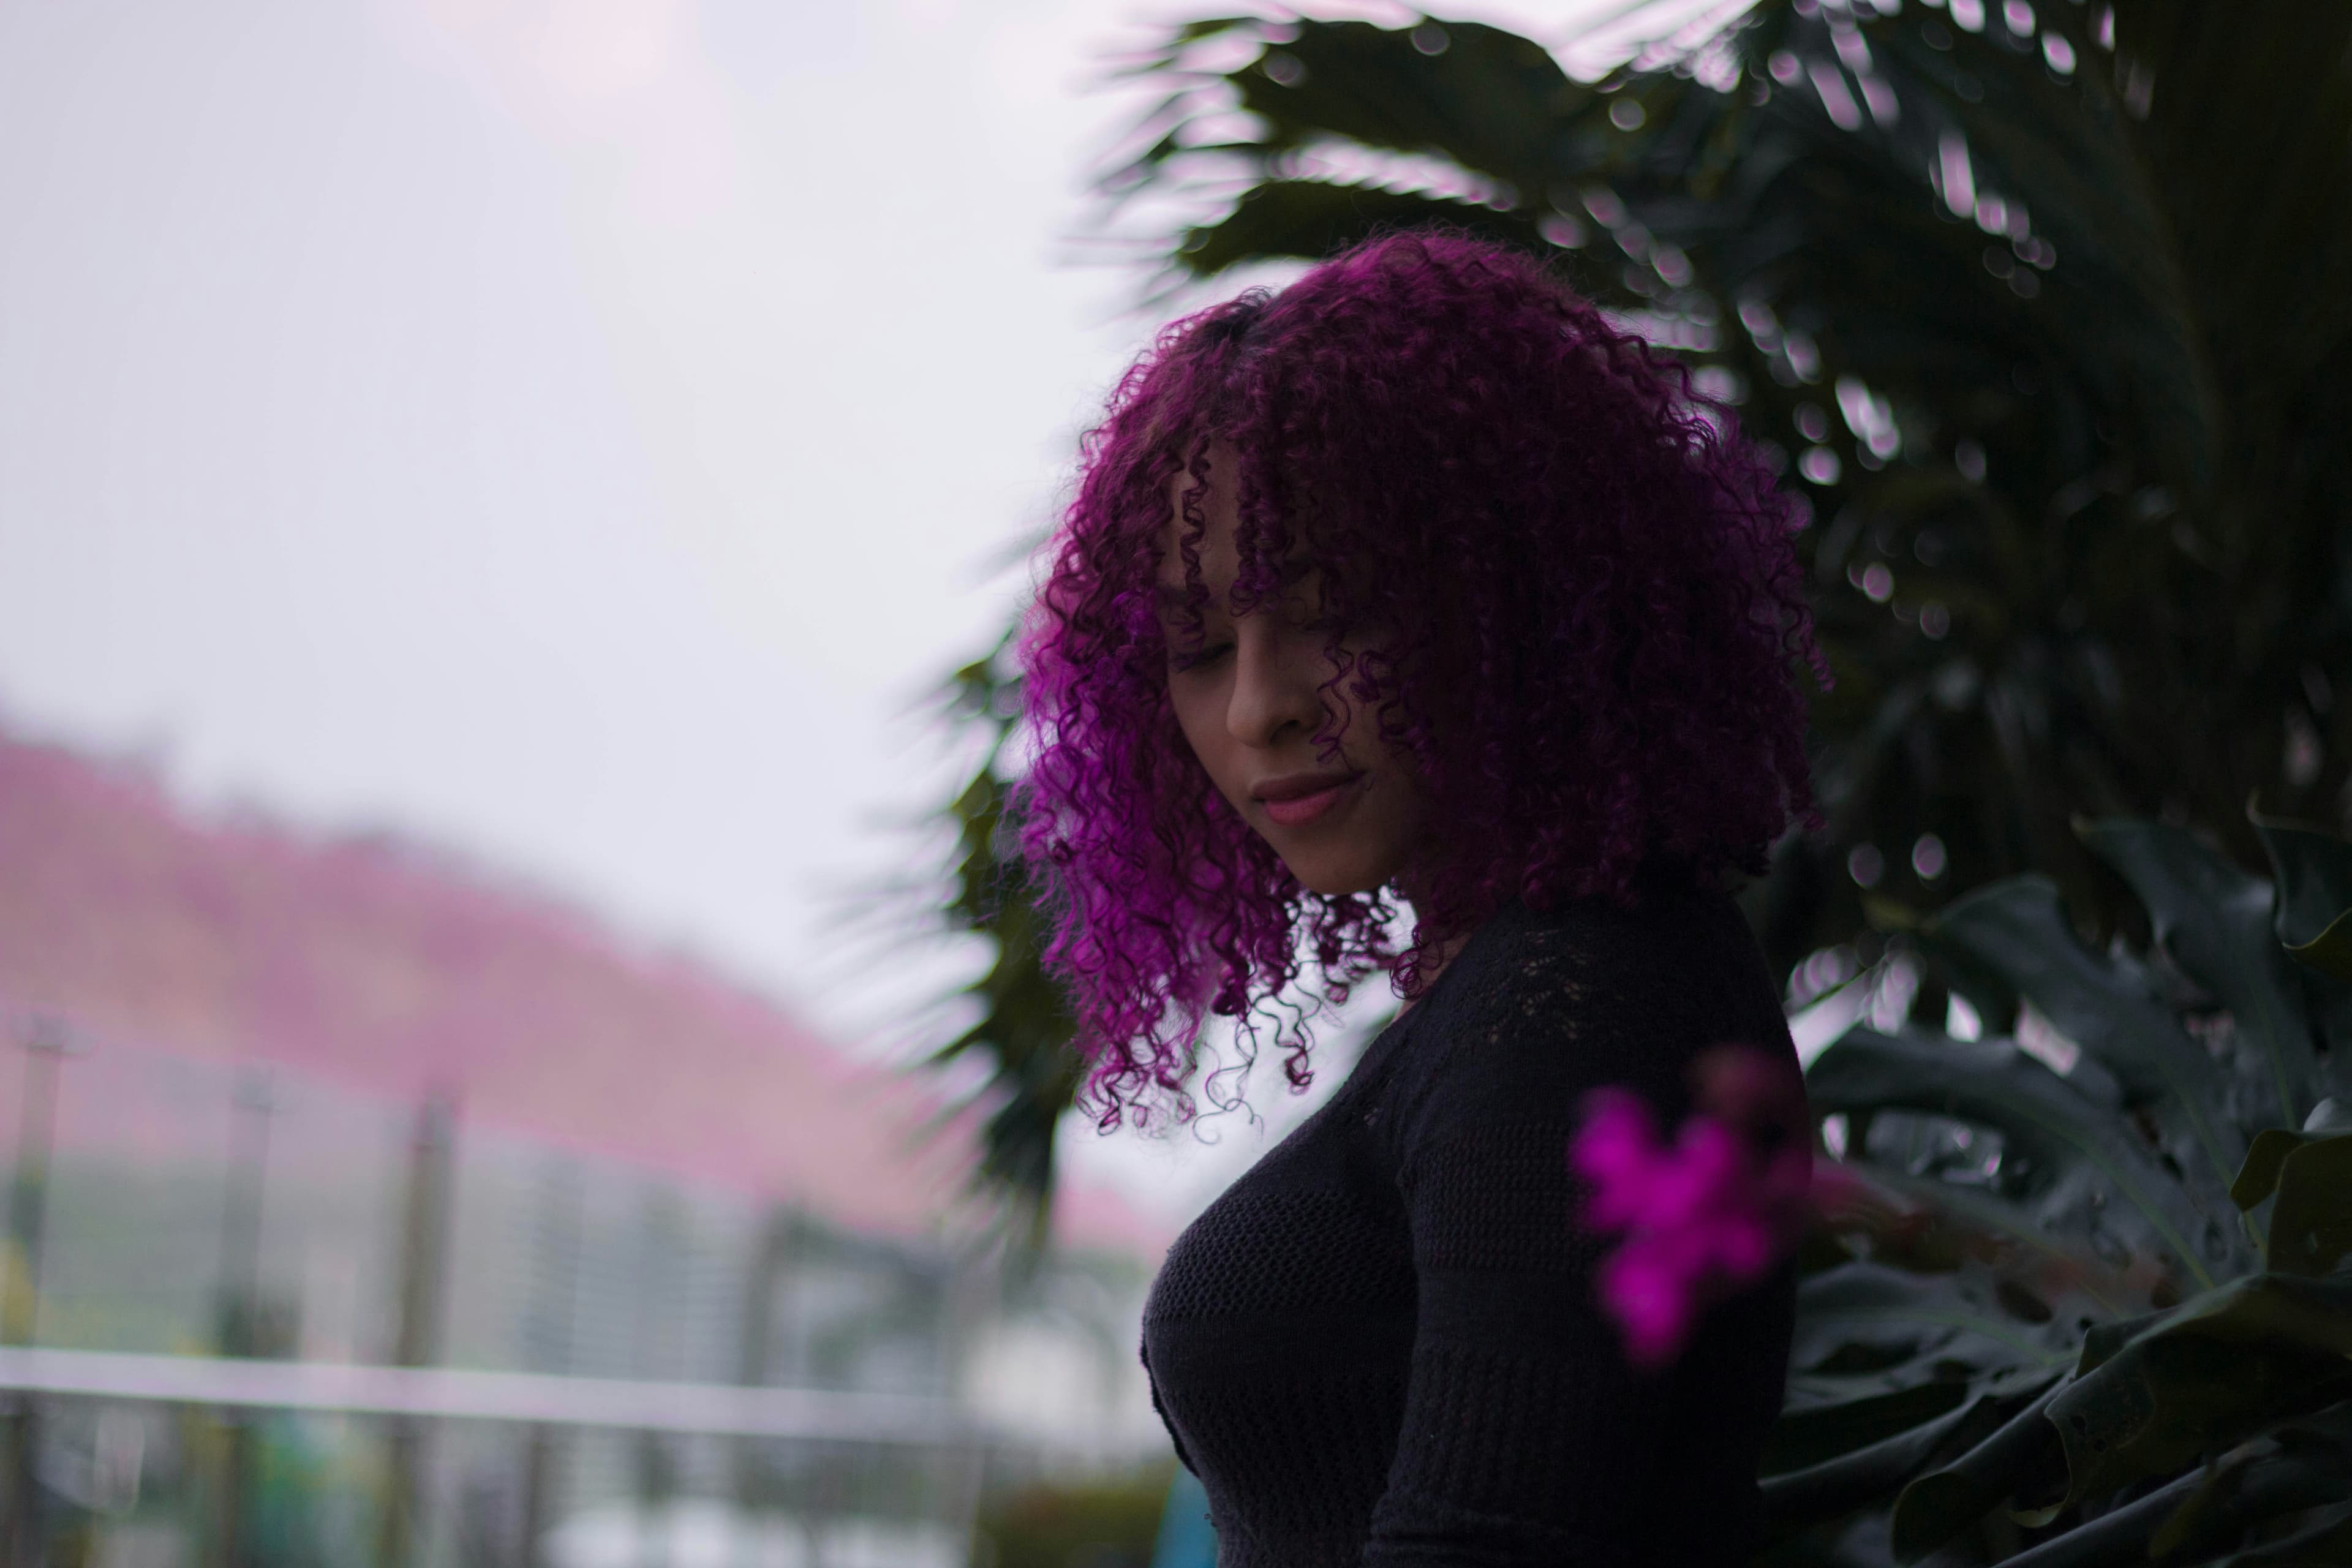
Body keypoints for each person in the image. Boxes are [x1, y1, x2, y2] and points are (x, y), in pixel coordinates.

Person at [1013, 232, 1820, 1566]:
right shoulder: (1517, 979)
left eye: (1334, 610)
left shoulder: (1570, 1001)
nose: (1259, 706)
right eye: (1199, 647)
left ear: (1519, 593)